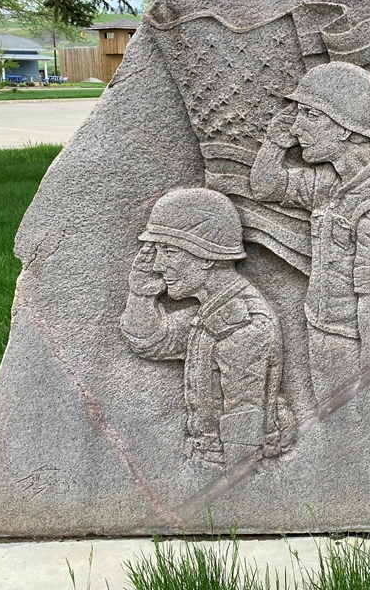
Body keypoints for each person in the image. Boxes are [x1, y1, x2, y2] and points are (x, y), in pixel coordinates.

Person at [249, 61, 370, 410]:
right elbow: (266, 187)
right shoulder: (332, 181)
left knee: (355, 431)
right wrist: (274, 144)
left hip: (352, 343)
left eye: (310, 115)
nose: (297, 128)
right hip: (325, 332)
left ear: (345, 128)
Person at [120, 188, 285, 471]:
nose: (158, 265)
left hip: (221, 471)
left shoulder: (243, 327)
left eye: (169, 251)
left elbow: (242, 439)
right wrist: (141, 294)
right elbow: (151, 341)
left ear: (207, 256)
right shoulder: (214, 310)